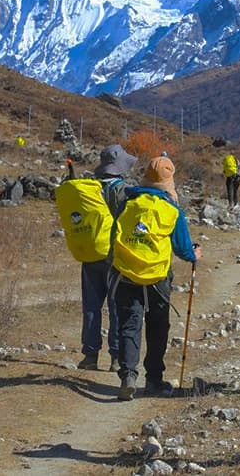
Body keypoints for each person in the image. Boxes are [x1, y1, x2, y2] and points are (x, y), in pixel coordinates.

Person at [110, 156, 201, 400]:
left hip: (126, 273)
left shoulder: (127, 203)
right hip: (157, 276)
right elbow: (182, 249)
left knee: (129, 324)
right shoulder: (171, 209)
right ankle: (153, 381)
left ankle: (128, 375)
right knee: (158, 326)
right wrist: (195, 254)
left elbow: (114, 238)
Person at [78, 144, 136, 371]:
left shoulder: (89, 189)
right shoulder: (123, 191)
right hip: (114, 257)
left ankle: (90, 355)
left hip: (90, 253)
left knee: (91, 305)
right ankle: (115, 356)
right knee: (116, 305)